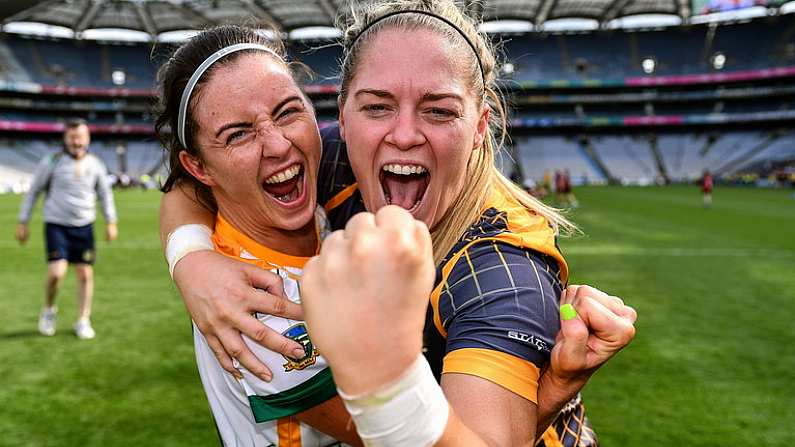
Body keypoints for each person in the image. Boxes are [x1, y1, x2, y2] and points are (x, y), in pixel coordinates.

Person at [160, 2, 636, 445]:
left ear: (479, 125)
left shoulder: (502, 272)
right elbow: (186, 188)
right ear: (343, 117)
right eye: (377, 107)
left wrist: (387, 381)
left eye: (439, 110)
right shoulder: (331, 164)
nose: (403, 134)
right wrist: (192, 259)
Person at [155, 25, 361, 446]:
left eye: (288, 112)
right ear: (198, 167)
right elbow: (399, 434)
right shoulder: (256, 307)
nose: (278, 145)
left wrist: (186, 252)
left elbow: (181, 192)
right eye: (238, 134)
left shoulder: (323, 199)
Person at [15, 118, 118, 339]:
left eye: (80, 137)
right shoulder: (52, 162)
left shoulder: (96, 164)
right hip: (56, 225)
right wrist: (23, 222)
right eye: (72, 137)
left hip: (84, 226)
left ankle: (83, 319)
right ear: (65, 139)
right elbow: (33, 192)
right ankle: (49, 310)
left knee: (85, 274)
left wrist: (111, 221)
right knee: (56, 273)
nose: (76, 141)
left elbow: (104, 194)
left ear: (88, 138)